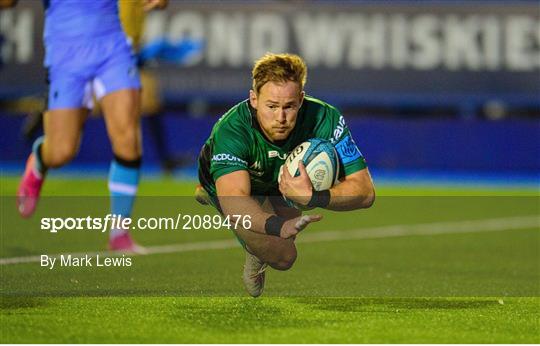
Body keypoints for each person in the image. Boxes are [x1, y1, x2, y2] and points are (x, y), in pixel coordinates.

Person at [197, 53, 375, 297]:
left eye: (289, 106)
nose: (281, 118)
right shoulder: (232, 129)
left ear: (301, 100)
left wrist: (313, 197)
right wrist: (277, 226)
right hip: (234, 184)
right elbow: (235, 197)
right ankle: (210, 196)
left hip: (281, 178)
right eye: (271, 106)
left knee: (283, 245)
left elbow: (365, 192)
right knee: (284, 256)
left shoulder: (326, 119)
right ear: (254, 99)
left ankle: (259, 240)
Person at [15, 0, 167, 252]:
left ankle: (119, 234)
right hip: (66, 55)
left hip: (113, 49)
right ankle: (40, 158)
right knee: (61, 151)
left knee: (128, 138)